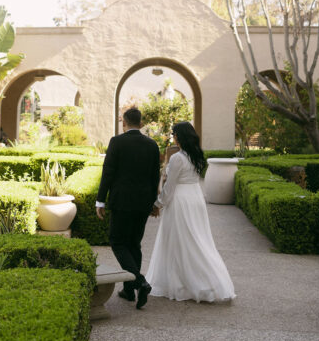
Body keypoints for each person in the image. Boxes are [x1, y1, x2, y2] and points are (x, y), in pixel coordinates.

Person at [147, 121, 235, 303]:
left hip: (180, 201)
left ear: (179, 136)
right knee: (196, 239)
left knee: (180, 242)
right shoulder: (196, 155)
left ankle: (182, 283)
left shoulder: (178, 158)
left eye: (174, 134)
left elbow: (170, 187)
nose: (173, 137)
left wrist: (157, 204)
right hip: (195, 198)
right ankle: (193, 281)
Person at [95, 106, 161, 309]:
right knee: (134, 244)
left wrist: (100, 200)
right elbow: (154, 177)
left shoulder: (117, 142)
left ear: (124, 122)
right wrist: (153, 203)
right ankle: (129, 290)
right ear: (141, 123)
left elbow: (108, 172)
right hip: (143, 202)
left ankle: (139, 282)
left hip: (121, 201)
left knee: (117, 241)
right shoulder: (152, 145)